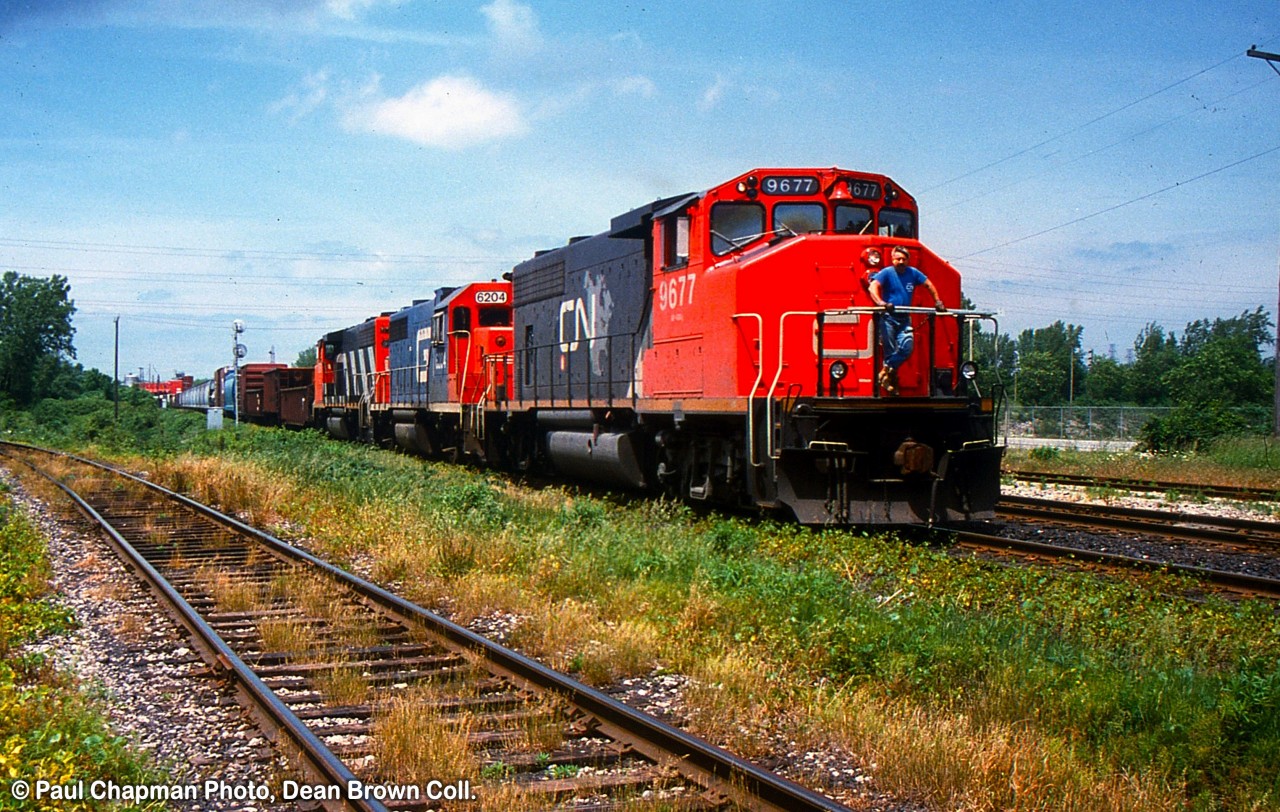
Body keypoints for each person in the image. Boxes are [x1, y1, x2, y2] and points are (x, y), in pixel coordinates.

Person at [868, 246, 946, 395]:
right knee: (890, 350)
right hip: (888, 319)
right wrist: (882, 303)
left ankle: (884, 372)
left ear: (908, 260)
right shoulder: (887, 272)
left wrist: (937, 301)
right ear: (892, 259)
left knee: (907, 347)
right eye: (898, 259)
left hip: (904, 319)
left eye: (904, 259)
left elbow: (928, 284)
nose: (901, 262)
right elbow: (873, 286)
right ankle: (890, 382)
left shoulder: (913, 273)